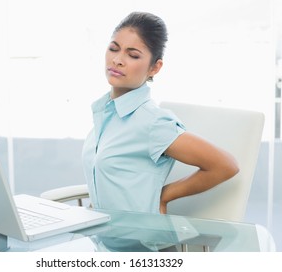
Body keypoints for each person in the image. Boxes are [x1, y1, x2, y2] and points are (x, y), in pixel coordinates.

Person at [82, 11, 239, 215]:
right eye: (113, 49)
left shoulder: (152, 122)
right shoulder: (105, 113)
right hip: (101, 236)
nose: (118, 60)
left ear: (155, 68)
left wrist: (164, 195)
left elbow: (225, 165)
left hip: (134, 242)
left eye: (133, 55)